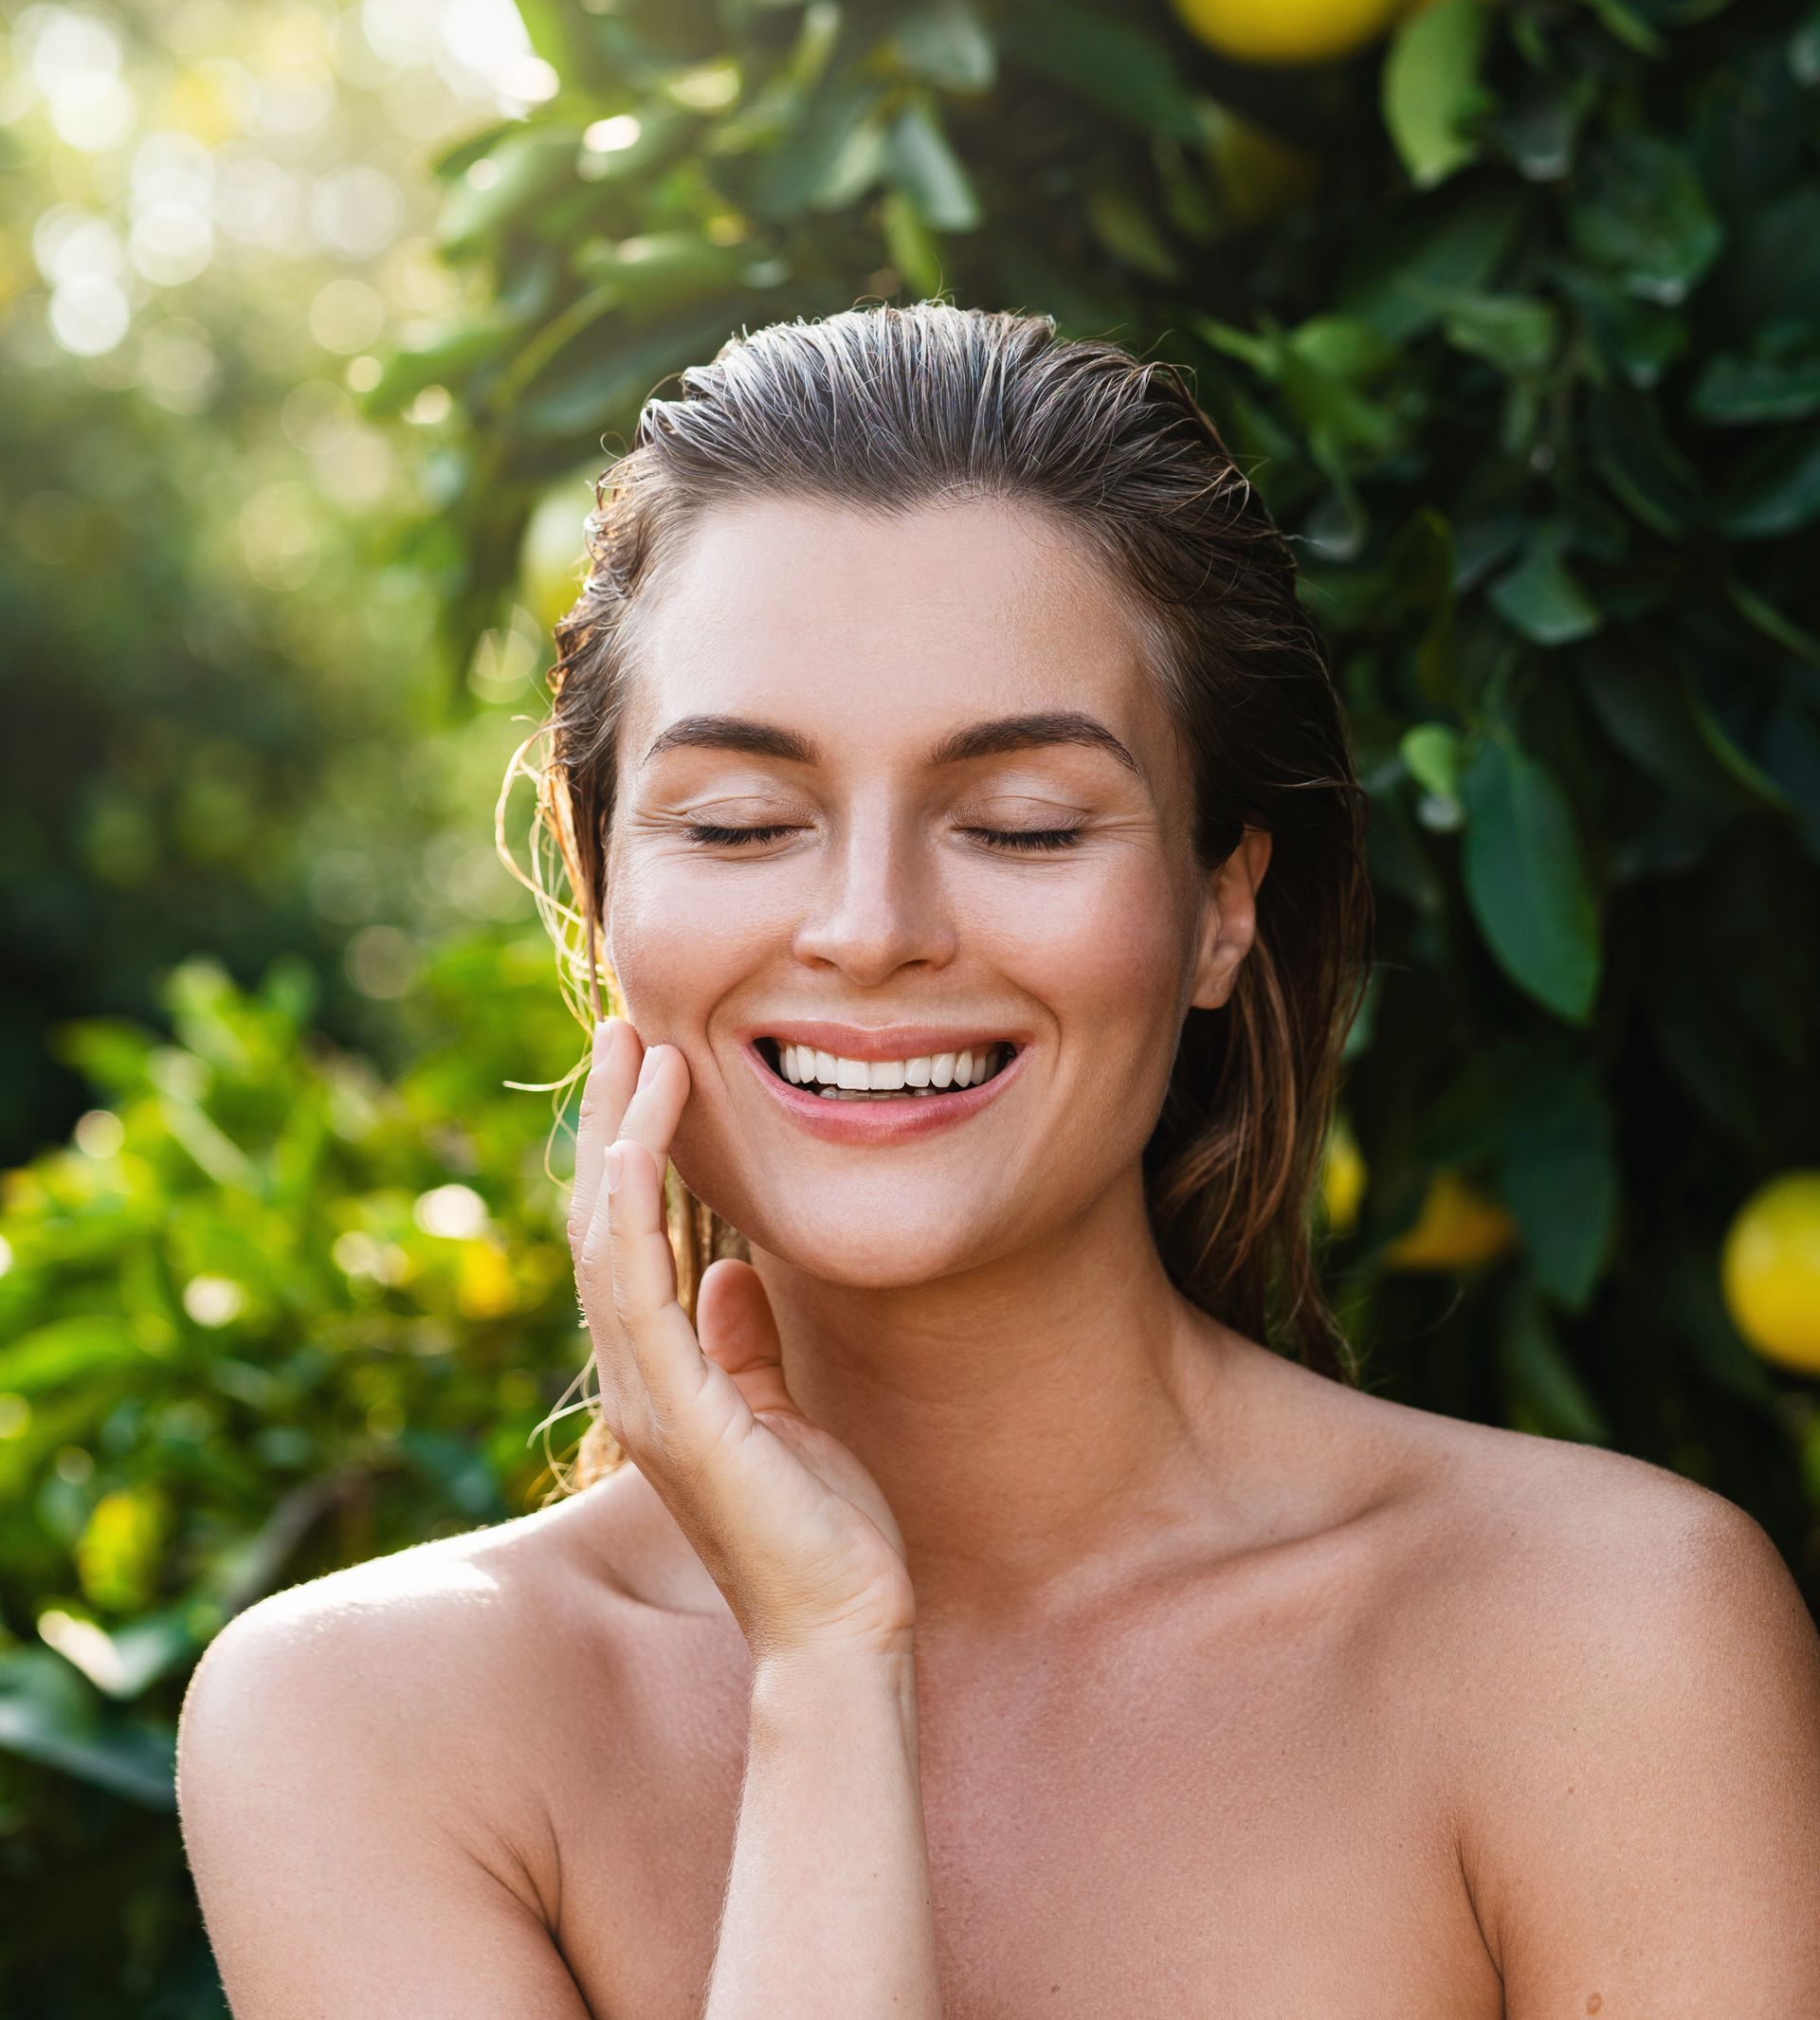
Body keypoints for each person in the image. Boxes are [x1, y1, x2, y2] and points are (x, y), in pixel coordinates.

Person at [179, 306, 1820, 2018]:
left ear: (1219, 906)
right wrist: (824, 1670)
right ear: (603, 894)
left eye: (1024, 824)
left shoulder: (1602, 1638)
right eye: (741, 824)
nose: (871, 931)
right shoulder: (365, 1724)